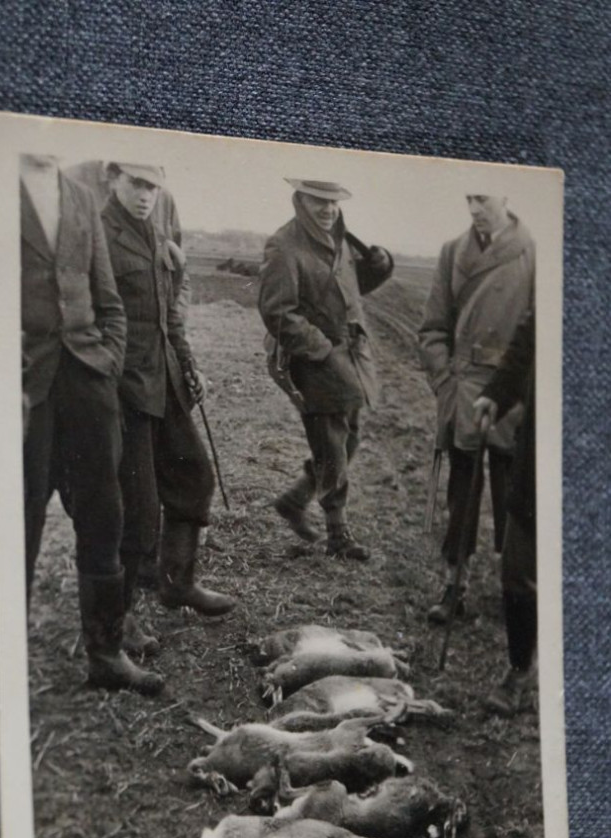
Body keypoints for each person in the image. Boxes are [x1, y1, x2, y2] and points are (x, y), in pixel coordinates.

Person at [20, 153, 163, 696]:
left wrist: (106, 362)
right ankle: (1, 655)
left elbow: (109, 301)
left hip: (87, 382)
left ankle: (106, 653)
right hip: (25, 387)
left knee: (106, 513)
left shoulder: (78, 197)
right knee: (21, 521)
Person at [100, 163, 235, 632]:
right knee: (136, 510)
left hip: (164, 382)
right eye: (136, 183)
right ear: (112, 177)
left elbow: (169, 317)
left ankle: (176, 585)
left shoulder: (157, 235)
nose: (145, 195)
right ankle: (118, 618)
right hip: (123, 389)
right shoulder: (97, 235)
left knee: (193, 477)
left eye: (152, 186)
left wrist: (189, 365)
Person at [257, 178, 394, 560]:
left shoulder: (342, 239)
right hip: (313, 358)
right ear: (300, 199)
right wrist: (321, 349)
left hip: (351, 354)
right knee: (332, 444)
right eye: (319, 200)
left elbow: (346, 289)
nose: (327, 208)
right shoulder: (284, 246)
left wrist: (380, 268)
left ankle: (296, 498)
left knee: (347, 439)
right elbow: (277, 311)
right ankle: (338, 534)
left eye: (333, 201)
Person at [419, 194, 535, 623]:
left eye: (483, 199)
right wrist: (445, 382)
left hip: (515, 396)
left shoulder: (532, 251)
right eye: (468, 198)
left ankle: (515, 588)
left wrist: (525, 394)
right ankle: (455, 583)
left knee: (515, 497)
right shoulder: (453, 251)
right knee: (462, 496)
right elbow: (432, 327)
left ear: (506, 197)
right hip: (463, 388)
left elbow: (540, 333)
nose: (474, 208)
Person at [474, 311, 537, 716]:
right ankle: (519, 668)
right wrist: (495, 394)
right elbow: (524, 346)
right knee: (517, 570)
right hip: (540, 450)